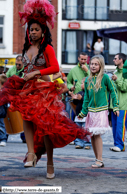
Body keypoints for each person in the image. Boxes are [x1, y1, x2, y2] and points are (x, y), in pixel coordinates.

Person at [0, 0, 90, 179]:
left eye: (36, 29)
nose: (32, 32)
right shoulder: (26, 48)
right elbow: (25, 68)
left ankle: (50, 162)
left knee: (47, 129)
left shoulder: (47, 48)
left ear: (43, 31)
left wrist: (36, 73)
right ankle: (31, 153)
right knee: (26, 116)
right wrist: (22, 75)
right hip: (29, 90)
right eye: (31, 29)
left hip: (45, 91)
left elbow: (55, 67)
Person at [78, 55, 119, 168]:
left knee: (97, 134)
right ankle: (97, 159)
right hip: (91, 112)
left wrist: (115, 107)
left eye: (96, 64)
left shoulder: (105, 77)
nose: (93, 66)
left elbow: (113, 91)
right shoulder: (87, 80)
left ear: (100, 65)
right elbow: (86, 98)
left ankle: (100, 160)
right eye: (91, 64)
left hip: (101, 111)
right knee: (92, 135)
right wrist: (83, 112)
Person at [109, 53, 127, 152]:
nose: (113, 60)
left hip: (123, 104)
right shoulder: (115, 72)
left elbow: (125, 87)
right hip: (114, 105)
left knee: (120, 125)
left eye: (115, 58)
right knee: (115, 126)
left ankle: (120, 146)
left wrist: (116, 80)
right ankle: (116, 144)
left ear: (121, 60)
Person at [6, 55, 26, 143]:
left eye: (19, 65)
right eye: (16, 64)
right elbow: (6, 78)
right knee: (8, 114)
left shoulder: (26, 70)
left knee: (23, 116)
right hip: (12, 95)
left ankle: (24, 136)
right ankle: (5, 135)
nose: (17, 66)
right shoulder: (12, 69)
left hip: (22, 96)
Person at [69, 77, 91, 149]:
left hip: (86, 116)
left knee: (86, 130)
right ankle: (79, 142)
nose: (81, 85)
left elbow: (88, 102)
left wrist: (81, 98)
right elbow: (75, 103)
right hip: (78, 115)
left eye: (83, 83)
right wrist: (74, 98)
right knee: (78, 129)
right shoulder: (79, 92)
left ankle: (87, 143)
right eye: (81, 83)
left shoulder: (89, 93)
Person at [0, 74, 8, 147]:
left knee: (1, 125)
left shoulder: (3, 91)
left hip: (1, 111)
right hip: (1, 110)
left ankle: (3, 139)